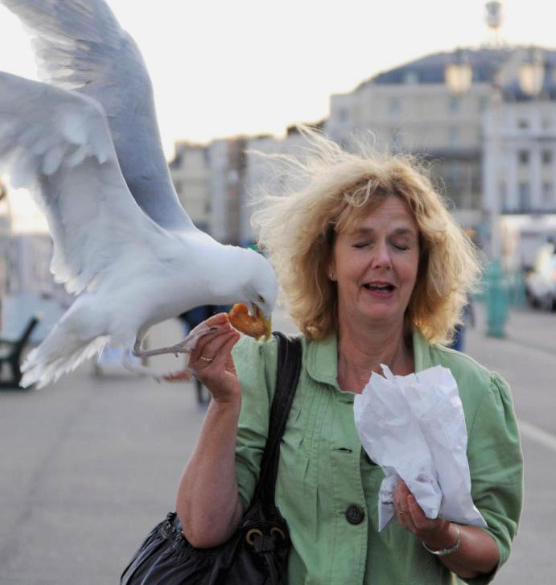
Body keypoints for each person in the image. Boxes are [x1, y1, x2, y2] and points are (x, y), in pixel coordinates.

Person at [175, 142, 523, 584]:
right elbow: (204, 528)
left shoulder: (469, 389)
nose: (383, 259)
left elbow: (488, 553)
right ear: (329, 263)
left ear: (421, 264)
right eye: (362, 243)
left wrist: (438, 533)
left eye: (402, 245)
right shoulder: (266, 368)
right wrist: (224, 403)